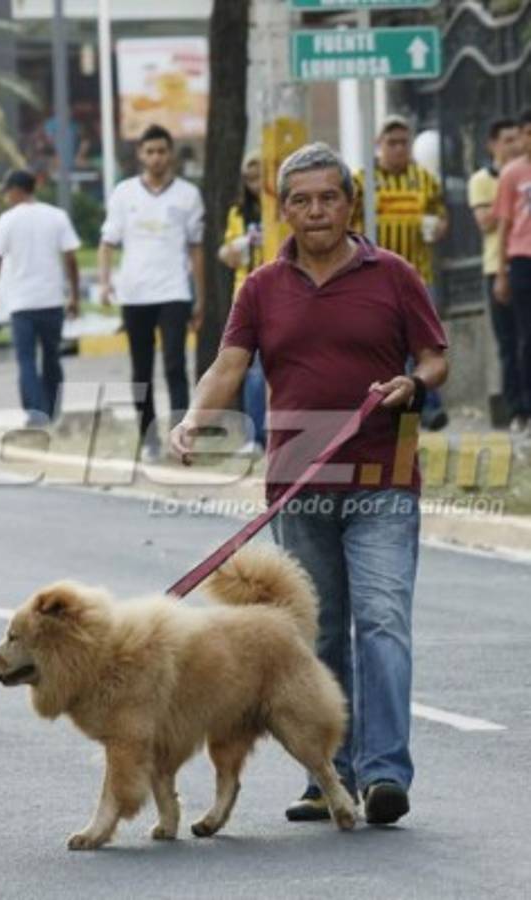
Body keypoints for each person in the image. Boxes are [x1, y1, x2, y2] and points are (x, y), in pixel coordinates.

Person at [171, 143, 449, 826]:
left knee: (382, 623)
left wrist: (413, 383)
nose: (316, 210)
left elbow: (437, 356)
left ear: (349, 202)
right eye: (301, 199)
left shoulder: (394, 275)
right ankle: (331, 776)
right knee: (316, 638)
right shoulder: (261, 286)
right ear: (284, 208)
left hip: (385, 476)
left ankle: (384, 775)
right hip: (300, 485)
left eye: (328, 197)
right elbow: (228, 365)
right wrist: (193, 419)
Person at [98, 124, 205, 462]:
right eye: (150, 151)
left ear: (170, 153)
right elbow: (106, 243)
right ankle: (149, 440)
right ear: (140, 155)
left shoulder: (188, 195)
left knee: (175, 365)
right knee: (140, 370)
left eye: (162, 151)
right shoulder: (124, 193)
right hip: (135, 293)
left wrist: (199, 296)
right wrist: (104, 282)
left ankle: (182, 438)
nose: (156, 157)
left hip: (174, 290)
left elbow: (196, 249)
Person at [353, 115, 449, 431]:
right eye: (391, 142)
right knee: (390, 343)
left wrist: (436, 228)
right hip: (374, 278)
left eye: (403, 143)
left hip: (418, 276)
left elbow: (441, 216)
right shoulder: (360, 182)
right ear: (379, 145)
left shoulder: (426, 181)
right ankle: (408, 406)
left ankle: (427, 407)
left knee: (425, 345)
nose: (398, 149)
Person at [0, 169, 81, 426]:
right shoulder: (57, 216)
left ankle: (36, 413)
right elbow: (71, 259)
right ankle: (51, 410)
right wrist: (74, 296)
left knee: (26, 360)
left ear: (17, 190)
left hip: (22, 304)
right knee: (52, 357)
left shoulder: (7, 220)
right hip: (51, 302)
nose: (6, 196)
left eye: (7, 190)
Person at [468, 118, 524, 433]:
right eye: (507, 140)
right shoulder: (482, 180)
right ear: (492, 144)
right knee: (508, 341)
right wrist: (509, 191)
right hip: (496, 266)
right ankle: (515, 408)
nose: (514, 145)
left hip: (524, 260)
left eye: (518, 138)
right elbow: (486, 222)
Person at [218, 149, 266, 453]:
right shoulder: (239, 213)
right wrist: (235, 250)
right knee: (254, 369)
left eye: (260, 174)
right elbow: (226, 252)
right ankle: (255, 437)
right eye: (250, 177)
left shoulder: (286, 207)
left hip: (285, 294)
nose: (255, 183)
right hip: (247, 293)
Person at [493, 108, 531, 435]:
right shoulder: (511, 174)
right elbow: (503, 224)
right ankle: (523, 408)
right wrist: (502, 272)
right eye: (527, 133)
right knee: (525, 337)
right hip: (522, 259)